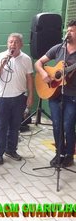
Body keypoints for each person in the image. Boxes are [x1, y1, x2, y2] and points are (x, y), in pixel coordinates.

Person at [35, 20, 76, 168]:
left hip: (72, 96)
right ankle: (60, 153)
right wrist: (44, 74)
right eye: (67, 30)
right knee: (57, 125)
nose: (68, 33)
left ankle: (69, 155)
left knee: (68, 125)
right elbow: (39, 63)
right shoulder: (58, 48)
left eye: (71, 30)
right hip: (54, 93)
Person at [0, 33, 34, 165]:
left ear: (21, 44)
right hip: (3, 98)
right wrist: (3, 63)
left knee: (15, 127)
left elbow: (29, 79)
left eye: (15, 42)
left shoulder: (26, 59)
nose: (12, 44)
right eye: (10, 42)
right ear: (7, 43)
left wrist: (31, 95)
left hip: (19, 97)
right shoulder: (0, 56)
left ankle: (11, 150)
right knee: (1, 126)